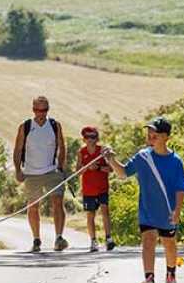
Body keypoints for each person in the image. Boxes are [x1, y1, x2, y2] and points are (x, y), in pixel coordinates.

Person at [103, 116, 184, 283]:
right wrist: (111, 159)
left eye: (154, 132)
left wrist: (177, 210)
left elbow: (181, 188)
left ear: (165, 136)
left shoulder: (176, 161)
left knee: (169, 244)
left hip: (168, 211)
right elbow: (124, 173)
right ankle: (149, 282)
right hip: (147, 210)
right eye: (149, 132)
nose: (150, 135)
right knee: (148, 241)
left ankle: (171, 277)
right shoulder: (143, 157)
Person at [13, 96, 68, 253]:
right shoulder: (25, 126)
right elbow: (18, 149)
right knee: (33, 206)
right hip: (31, 172)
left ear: (48, 110)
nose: (41, 113)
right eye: (37, 110)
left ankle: (59, 237)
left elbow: (62, 147)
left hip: (52, 170)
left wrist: (61, 167)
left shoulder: (54, 125)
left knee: (58, 201)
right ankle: (36, 239)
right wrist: (18, 170)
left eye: (44, 110)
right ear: (33, 109)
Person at [76, 126, 115, 252]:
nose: (90, 140)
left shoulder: (103, 151)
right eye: (87, 137)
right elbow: (78, 172)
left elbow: (111, 169)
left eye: (93, 137)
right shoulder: (81, 152)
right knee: (90, 215)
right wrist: (87, 167)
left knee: (105, 212)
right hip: (88, 190)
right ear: (84, 139)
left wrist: (98, 168)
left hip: (102, 188)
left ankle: (108, 238)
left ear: (97, 138)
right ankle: (93, 241)